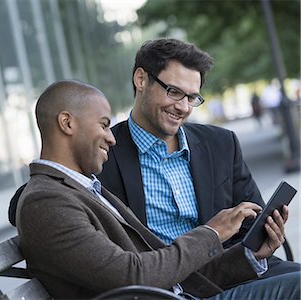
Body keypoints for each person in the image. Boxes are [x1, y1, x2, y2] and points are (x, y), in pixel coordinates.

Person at [15, 79, 299, 299]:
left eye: (192, 97)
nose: (111, 138)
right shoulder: (46, 200)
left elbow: (161, 268)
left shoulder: (84, 189)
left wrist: (250, 255)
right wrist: (211, 233)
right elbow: (133, 275)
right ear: (67, 123)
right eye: (103, 125)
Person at [95, 39, 300, 278]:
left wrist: (264, 239)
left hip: (234, 271)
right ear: (141, 79)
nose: (183, 107)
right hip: (166, 287)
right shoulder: (103, 156)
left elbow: (250, 224)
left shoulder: (222, 143)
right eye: (174, 92)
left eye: (192, 98)